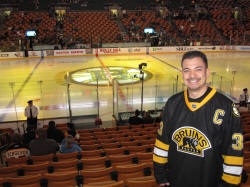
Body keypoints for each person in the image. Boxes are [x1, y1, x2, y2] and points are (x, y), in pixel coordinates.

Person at [153, 51, 243, 187]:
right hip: (176, 181)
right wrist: (160, 176)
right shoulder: (173, 103)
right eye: (187, 70)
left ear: (207, 72)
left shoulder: (226, 107)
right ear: (182, 74)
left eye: (198, 69)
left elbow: (234, 155)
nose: (192, 75)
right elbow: (162, 143)